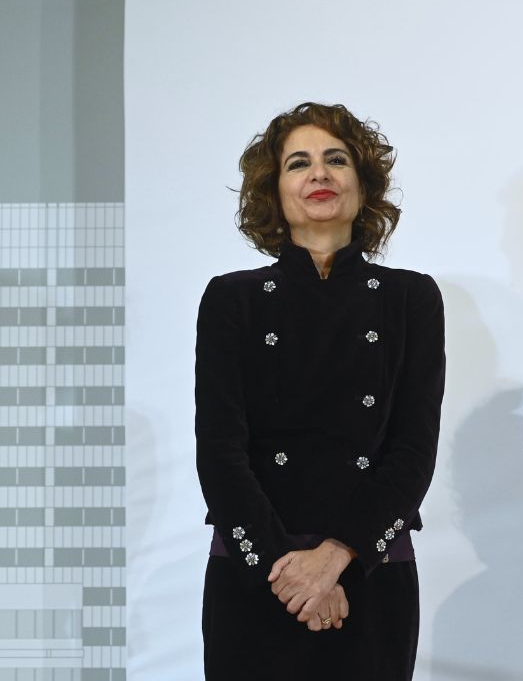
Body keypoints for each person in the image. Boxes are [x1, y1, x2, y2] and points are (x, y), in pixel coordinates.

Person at [195, 102, 444, 680]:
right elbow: (220, 451)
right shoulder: (233, 299)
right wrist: (293, 575)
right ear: (274, 192)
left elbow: (412, 452)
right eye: (299, 163)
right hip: (256, 569)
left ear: (363, 184)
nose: (320, 174)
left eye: (337, 160)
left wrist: (335, 561)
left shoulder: (412, 298)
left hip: (369, 569)